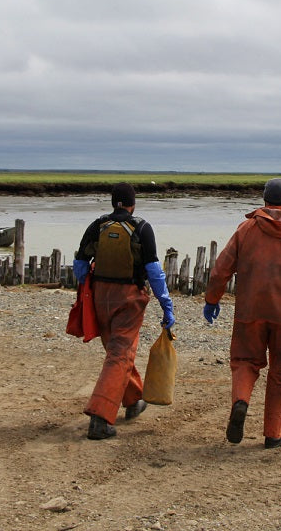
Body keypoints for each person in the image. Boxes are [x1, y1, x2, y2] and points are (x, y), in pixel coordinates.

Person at [203, 178, 281, 449]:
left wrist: (212, 299)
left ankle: (241, 401)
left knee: (244, 361)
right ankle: (274, 434)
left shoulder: (246, 229)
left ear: (264, 198)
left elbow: (221, 269)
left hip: (250, 311)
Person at [73, 182, 175, 440]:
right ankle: (100, 418)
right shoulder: (142, 228)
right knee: (119, 354)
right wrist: (166, 305)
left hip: (100, 297)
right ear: (133, 204)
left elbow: (80, 265)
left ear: (112, 202)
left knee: (116, 351)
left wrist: (89, 293)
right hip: (129, 299)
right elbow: (154, 271)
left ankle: (134, 400)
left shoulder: (97, 226)